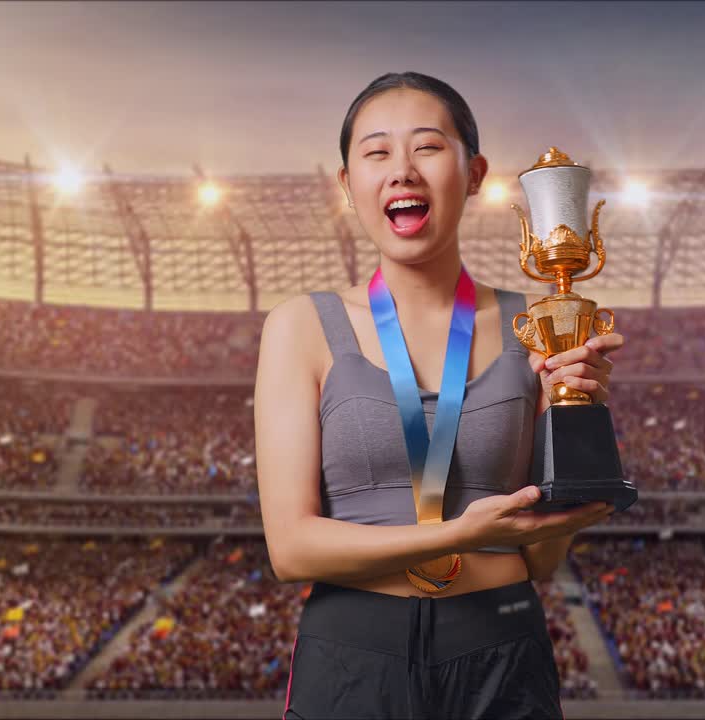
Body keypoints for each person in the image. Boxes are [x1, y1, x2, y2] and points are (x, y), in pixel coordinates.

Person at [256, 71, 623, 720]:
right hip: (351, 656)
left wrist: (578, 415)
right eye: (375, 153)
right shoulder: (299, 327)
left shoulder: (537, 324)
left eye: (427, 147)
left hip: (503, 649)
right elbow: (291, 549)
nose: (402, 170)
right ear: (348, 185)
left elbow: (538, 557)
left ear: (475, 172)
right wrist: (457, 532)